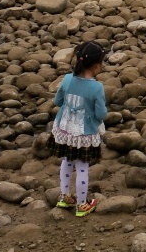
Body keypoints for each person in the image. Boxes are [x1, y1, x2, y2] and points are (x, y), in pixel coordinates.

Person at [51, 41, 107, 217]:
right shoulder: (96, 87)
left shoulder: (67, 79)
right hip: (84, 133)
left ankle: (64, 196)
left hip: (64, 130)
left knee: (67, 161)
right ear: (97, 65)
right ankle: (82, 204)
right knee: (82, 168)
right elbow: (101, 114)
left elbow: (57, 102)